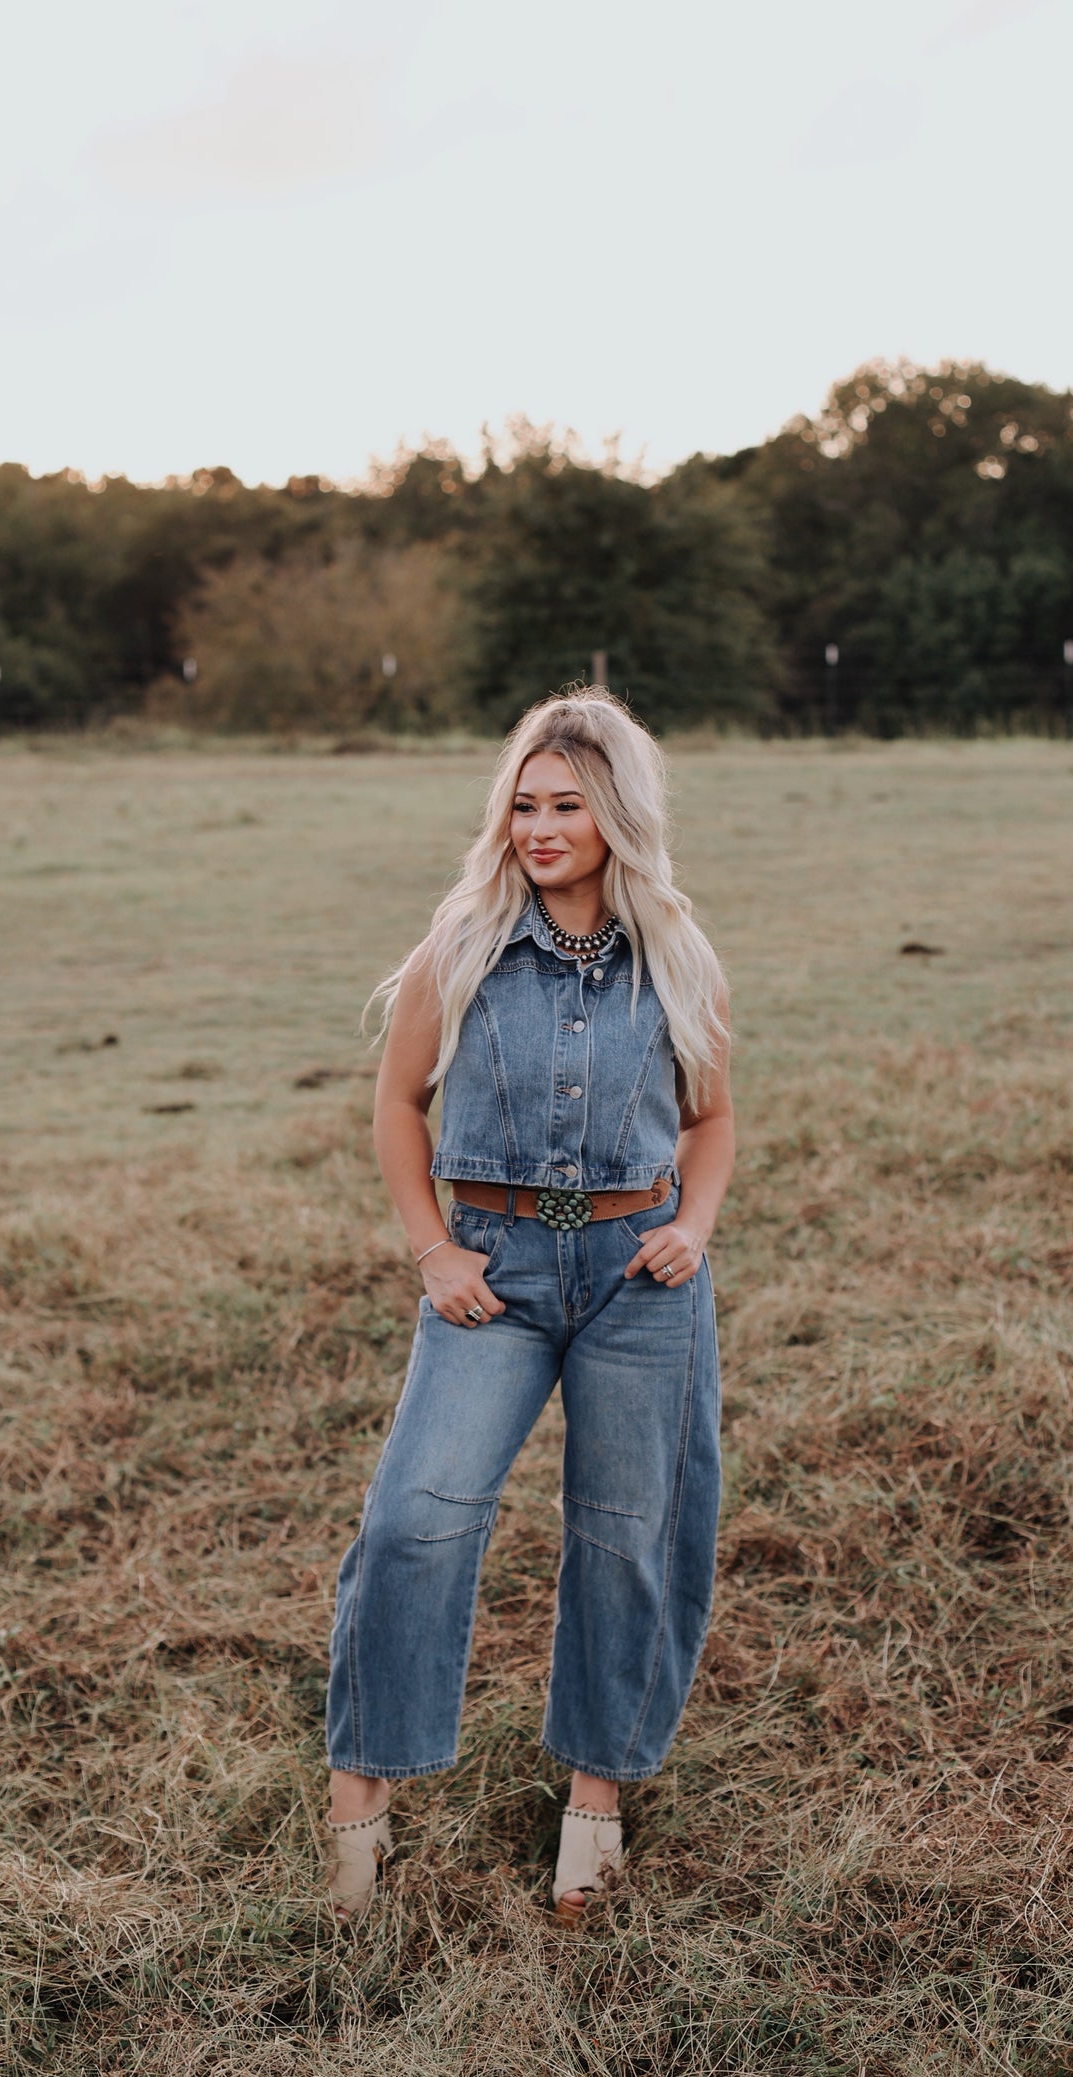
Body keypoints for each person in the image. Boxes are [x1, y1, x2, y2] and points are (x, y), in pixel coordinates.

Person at [324, 689, 734, 1924]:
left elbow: (710, 1120)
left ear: (615, 814)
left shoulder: (677, 953)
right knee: (412, 1520)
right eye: (523, 801)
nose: (539, 826)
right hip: (489, 1274)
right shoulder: (459, 946)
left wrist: (691, 1227)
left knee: (629, 1533)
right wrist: (432, 1248)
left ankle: (593, 1808)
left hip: (634, 1275)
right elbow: (399, 1106)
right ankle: (355, 1815)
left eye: (566, 804)